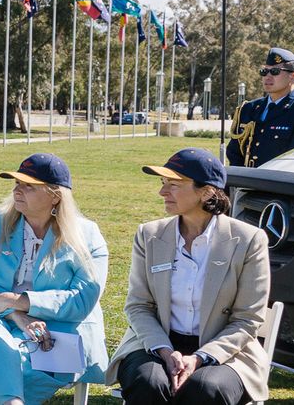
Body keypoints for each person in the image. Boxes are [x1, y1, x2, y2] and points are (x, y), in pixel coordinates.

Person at [0, 153, 110, 404]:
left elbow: (81, 302)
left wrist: (16, 300)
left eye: (28, 186)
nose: (18, 190)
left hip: (56, 334)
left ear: (55, 195)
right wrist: (14, 313)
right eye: (17, 183)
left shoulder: (87, 236)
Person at [106, 148, 272, 404]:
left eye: (173, 185)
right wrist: (164, 350)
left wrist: (200, 357)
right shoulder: (149, 235)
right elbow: (139, 306)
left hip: (226, 350)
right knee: (148, 382)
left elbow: (247, 319)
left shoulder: (248, 240)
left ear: (206, 192)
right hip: (155, 342)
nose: (162, 192)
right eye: (163, 183)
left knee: (205, 388)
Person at [227, 47, 294, 167]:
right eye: (264, 71)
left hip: (278, 184)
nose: (267, 77)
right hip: (244, 182)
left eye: (275, 71)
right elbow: (234, 152)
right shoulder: (248, 108)